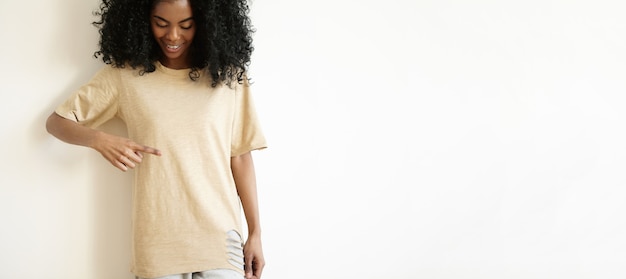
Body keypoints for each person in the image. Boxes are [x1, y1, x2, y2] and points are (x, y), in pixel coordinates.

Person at [45, 0, 266, 278]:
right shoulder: (124, 77)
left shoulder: (229, 78)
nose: (173, 36)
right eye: (161, 23)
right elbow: (56, 122)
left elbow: (241, 157)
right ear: (141, 19)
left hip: (220, 243)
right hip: (158, 245)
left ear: (207, 22)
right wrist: (99, 139)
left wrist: (255, 233)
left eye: (186, 25)